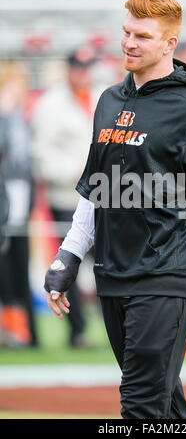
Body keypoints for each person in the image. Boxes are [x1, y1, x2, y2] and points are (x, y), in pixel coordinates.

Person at [44, 0, 186, 419]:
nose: (130, 43)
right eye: (126, 32)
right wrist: (67, 256)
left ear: (170, 43)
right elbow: (96, 187)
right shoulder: (109, 101)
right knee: (163, 404)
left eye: (143, 36)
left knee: (140, 406)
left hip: (166, 277)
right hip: (113, 274)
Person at [31, 46, 101, 348]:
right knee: (70, 262)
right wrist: (74, 170)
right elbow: (41, 155)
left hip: (104, 195)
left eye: (86, 67)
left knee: (107, 262)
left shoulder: (102, 97)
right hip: (68, 196)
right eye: (77, 67)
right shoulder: (50, 104)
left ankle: (111, 326)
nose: (82, 73)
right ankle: (78, 330)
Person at [0, 60, 37, 347]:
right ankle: (12, 328)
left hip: (18, 198)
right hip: (8, 198)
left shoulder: (19, 118)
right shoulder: (9, 118)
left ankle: (23, 330)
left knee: (17, 264)